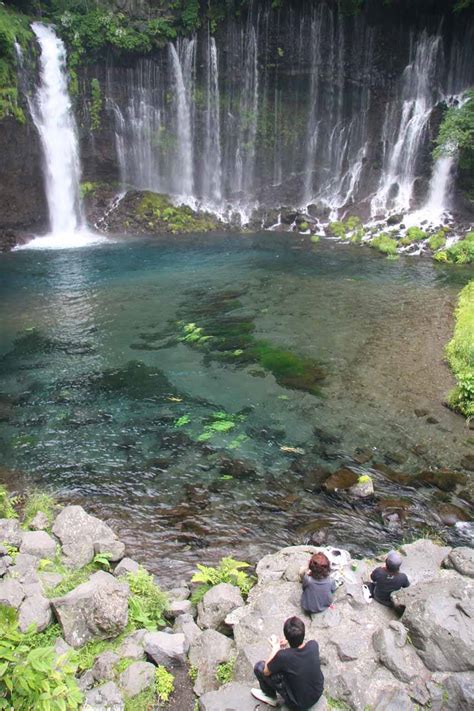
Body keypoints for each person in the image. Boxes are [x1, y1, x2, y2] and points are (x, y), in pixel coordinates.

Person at [252, 616, 324, 710]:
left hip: (298, 704)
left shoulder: (283, 656)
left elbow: (266, 671)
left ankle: (270, 696)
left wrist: (275, 648)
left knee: (259, 667)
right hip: (317, 692)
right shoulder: (313, 645)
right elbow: (300, 649)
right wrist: (290, 640)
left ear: (286, 636)